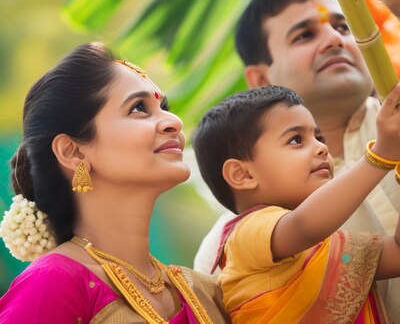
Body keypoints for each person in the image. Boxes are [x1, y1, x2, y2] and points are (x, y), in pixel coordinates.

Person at [193, 0, 400, 323]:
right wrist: (386, 156)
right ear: (259, 79)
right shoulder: (229, 247)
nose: (335, 40)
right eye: (303, 35)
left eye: (342, 25)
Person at [0, 42, 230, 324]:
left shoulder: (203, 290)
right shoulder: (54, 283)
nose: (173, 121)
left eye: (163, 106)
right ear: (74, 152)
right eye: (138, 108)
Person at [192, 83, 400, 323]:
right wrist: (381, 155)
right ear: (243, 175)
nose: (321, 148)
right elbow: (304, 225)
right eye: (296, 139)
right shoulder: (244, 235)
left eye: (319, 137)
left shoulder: (335, 248)